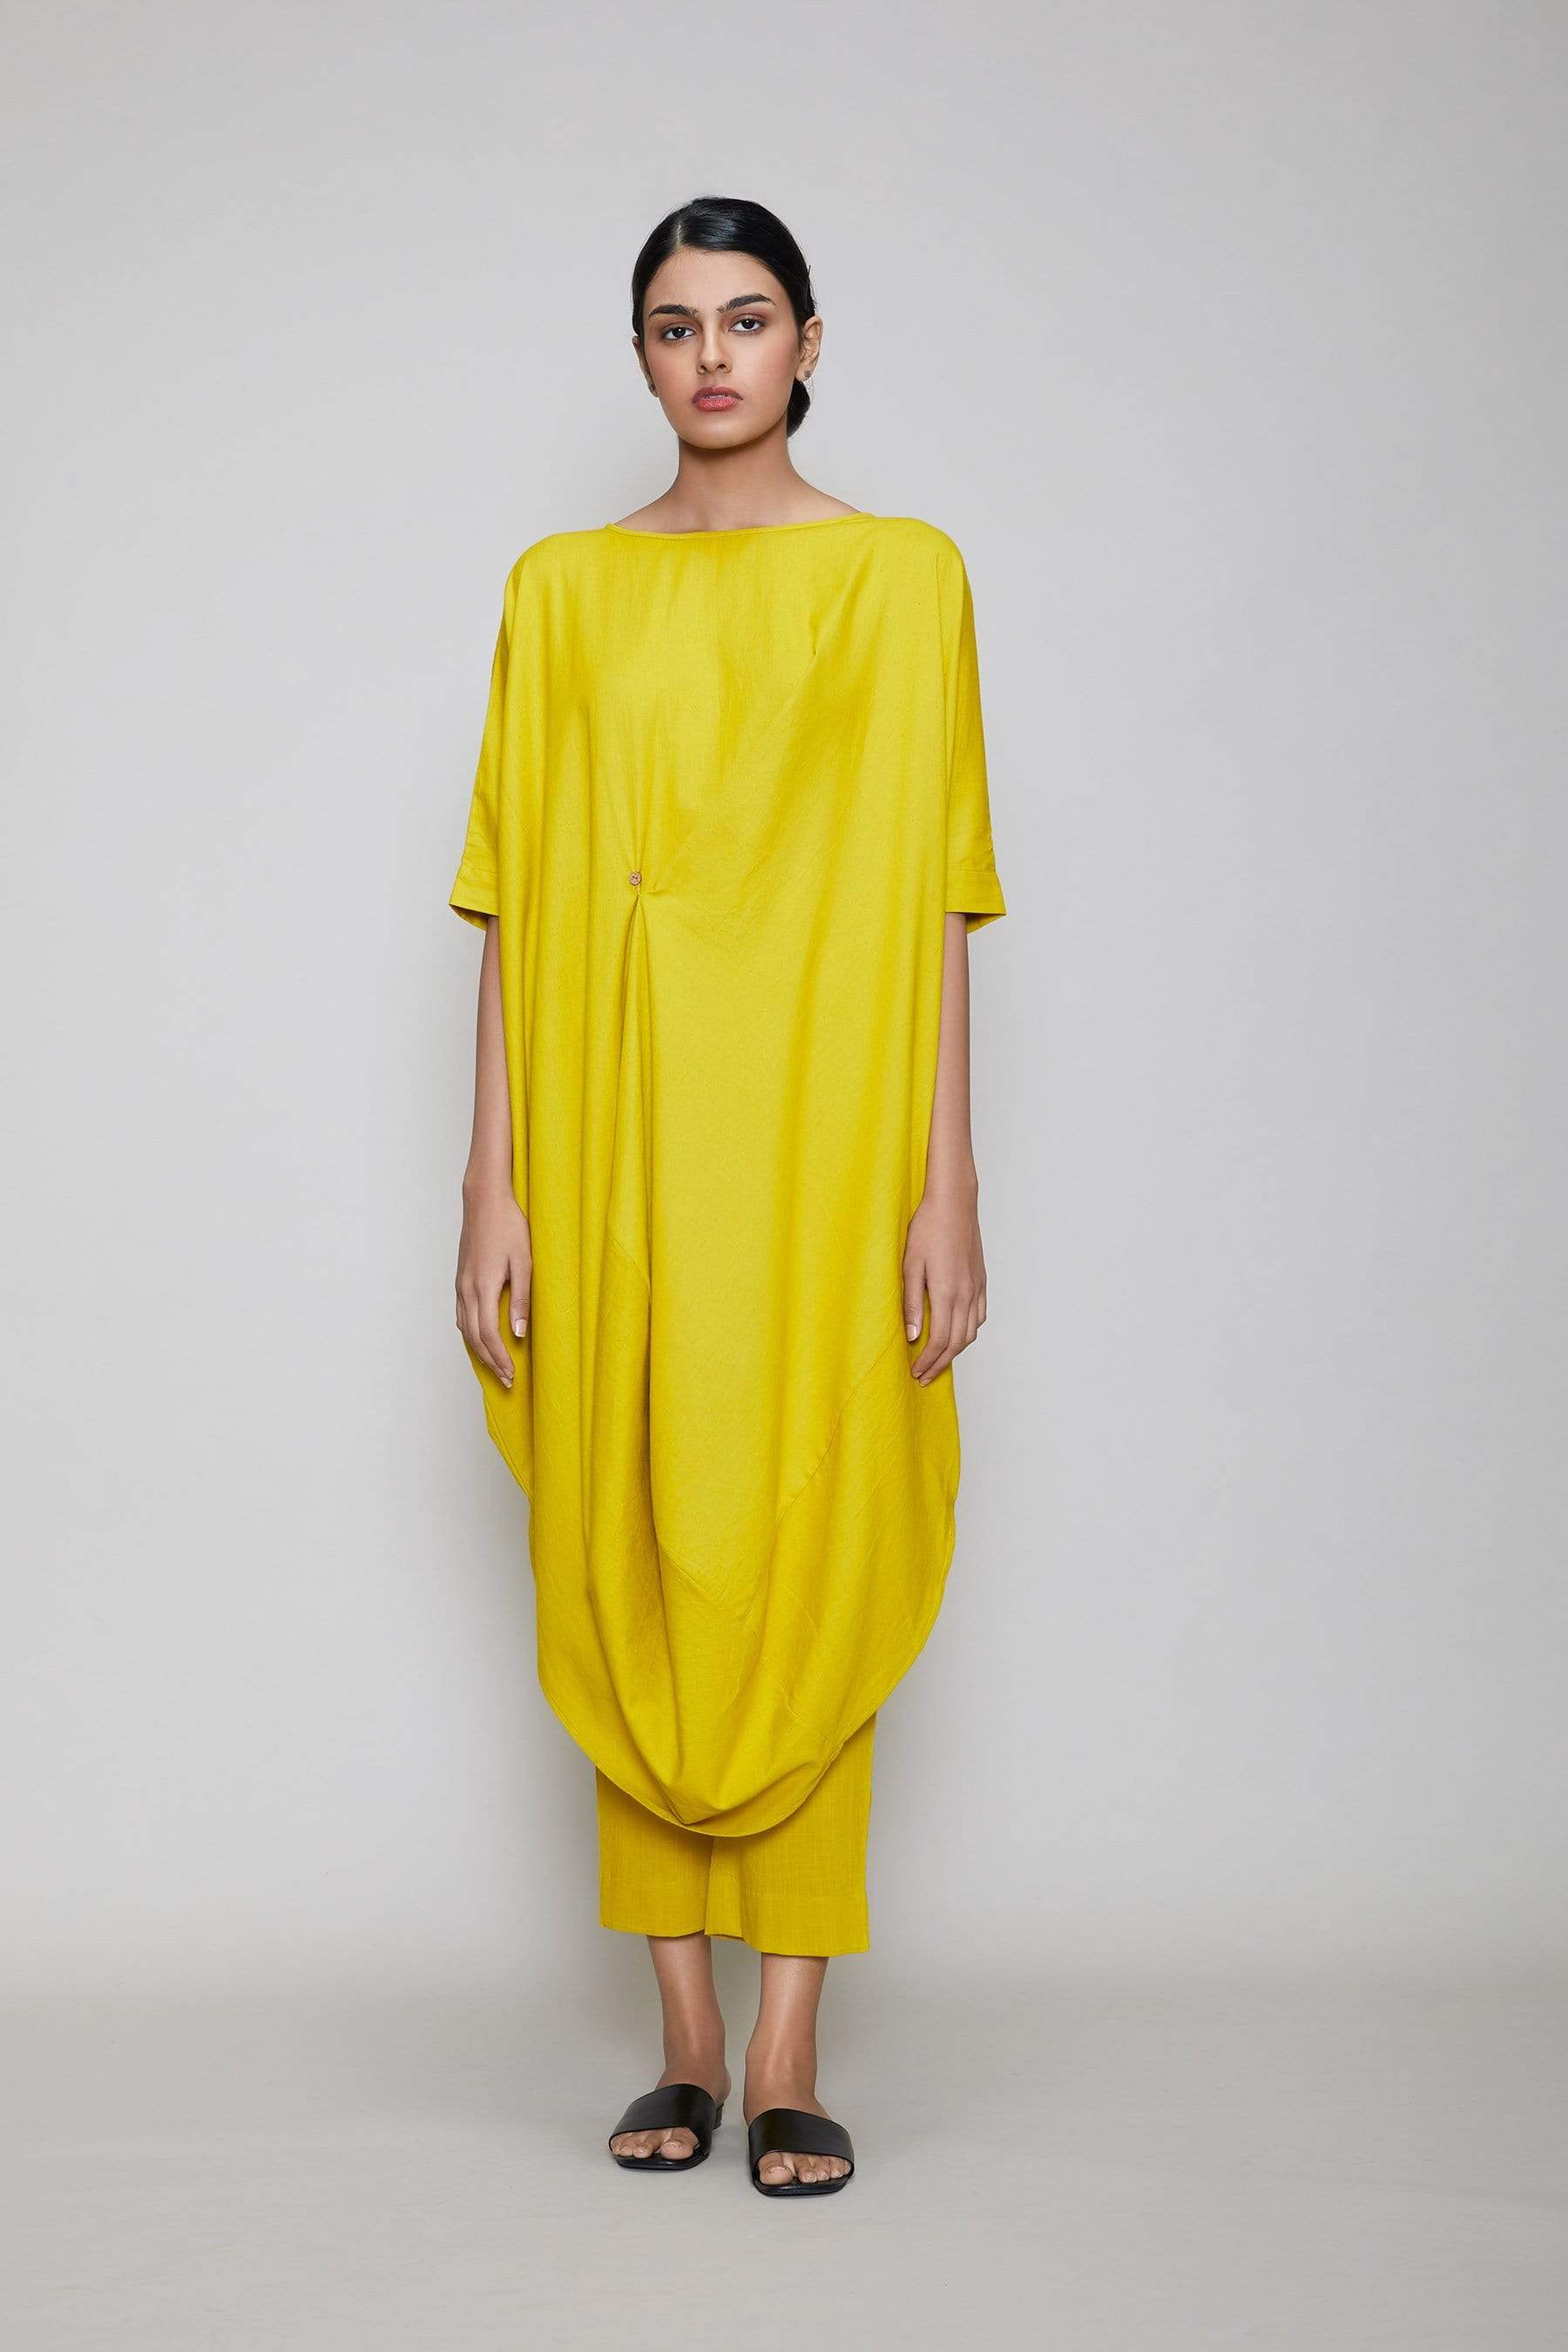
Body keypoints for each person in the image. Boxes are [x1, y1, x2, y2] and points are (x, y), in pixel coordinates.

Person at [449, 194, 1007, 2198]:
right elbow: (510, 901)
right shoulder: (562, 589)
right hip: (610, 1130)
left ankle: (790, 2045)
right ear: (642, 355)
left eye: (747, 320)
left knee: (810, 1525)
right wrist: (491, 1185)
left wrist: (948, 1184)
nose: (713, 357)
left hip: (823, 1138)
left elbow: (939, 901)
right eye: (677, 325)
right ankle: (685, 2029)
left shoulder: (904, 579)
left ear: (809, 342)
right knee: (625, 1524)